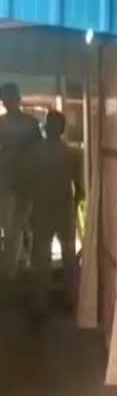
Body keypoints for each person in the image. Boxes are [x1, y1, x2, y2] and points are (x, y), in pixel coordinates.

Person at [26, 110, 81, 315]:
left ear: (47, 126)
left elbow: (27, 183)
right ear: (62, 128)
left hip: (42, 206)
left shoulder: (34, 152)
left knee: (41, 255)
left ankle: (39, 301)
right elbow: (79, 186)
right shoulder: (71, 153)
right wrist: (75, 205)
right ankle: (71, 298)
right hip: (63, 206)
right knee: (68, 255)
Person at [0, 83, 42, 281]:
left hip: (23, 181)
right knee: (13, 226)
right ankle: (17, 266)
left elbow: (37, 152)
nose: (6, 101)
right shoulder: (4, 123)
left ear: (17, 98)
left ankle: (15, 270)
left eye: (8, 97)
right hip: (7, 180)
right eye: (3, 98)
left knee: (18, 226)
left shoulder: (29, 123)